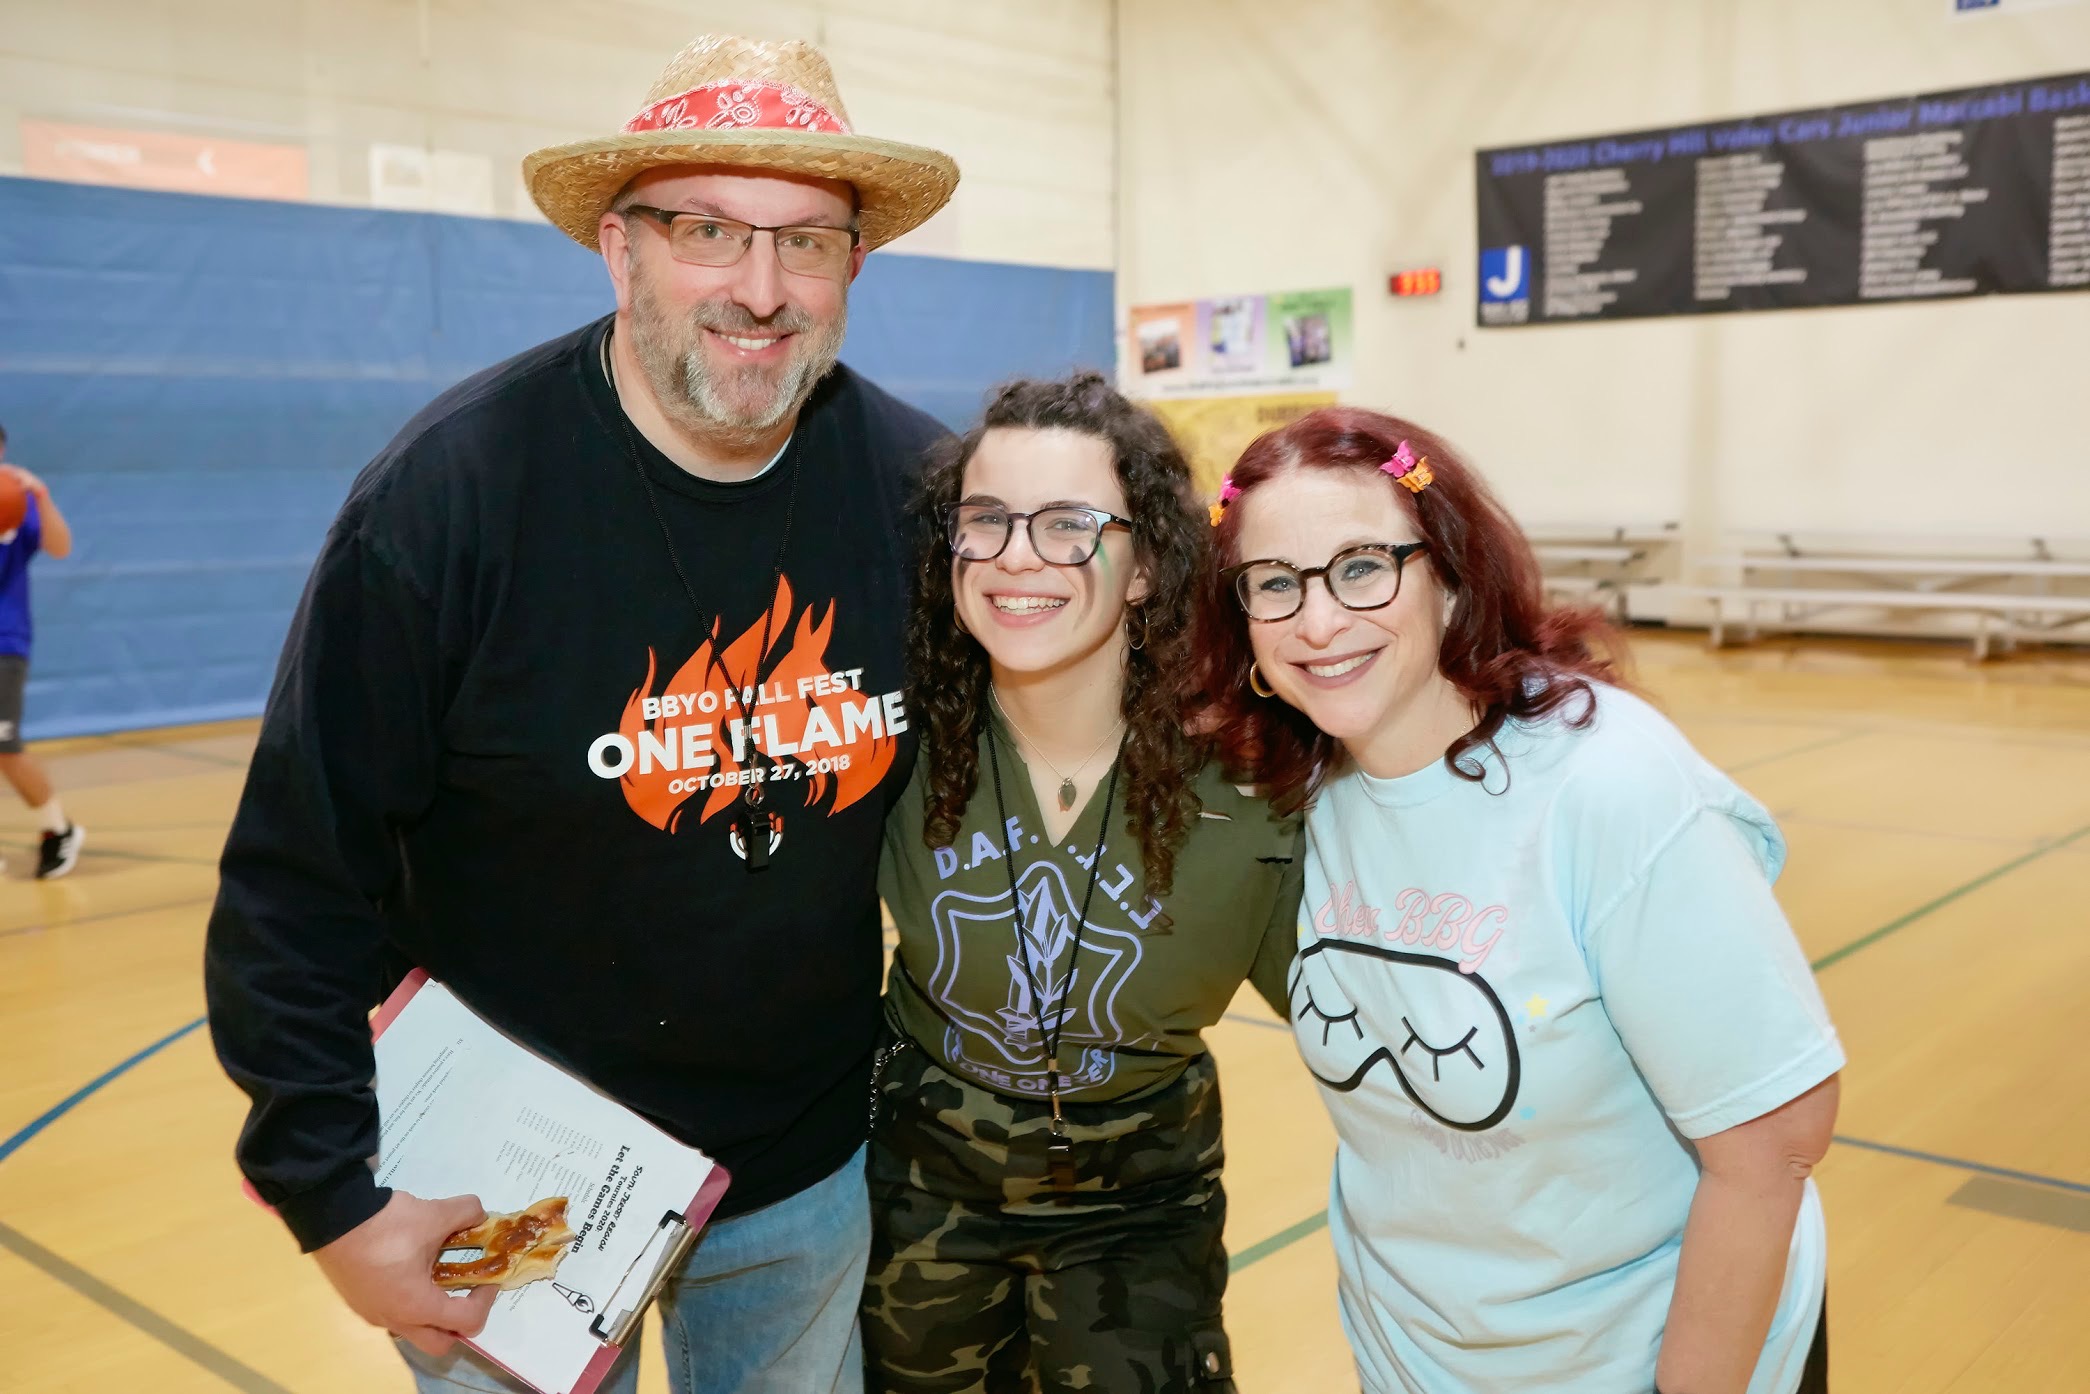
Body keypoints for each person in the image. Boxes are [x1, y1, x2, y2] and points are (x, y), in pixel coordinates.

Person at [203, 33, 958, 1394]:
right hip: (511, 1182)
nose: (761, 287)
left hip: (801, 1170)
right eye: (708, 229)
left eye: (809, 242)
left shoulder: (919, 492)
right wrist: (330, 1197)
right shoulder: (449, 500)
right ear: (621, 252)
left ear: (855, 269)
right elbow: (294, 884)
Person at [1198, 406, 1843, 1394]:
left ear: (1450, 576)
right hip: (1415, 1360)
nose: (1317, 619)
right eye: (1273, 583)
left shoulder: (1604, 783)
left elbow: (1770, 1144)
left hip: (1649, 1359)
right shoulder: (1304, 792)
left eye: (1362, 566)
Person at [862, 374, 1302, 1394]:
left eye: (1068, 524)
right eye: (986, 520)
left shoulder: (1255, 781)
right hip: (923, 1184)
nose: (1018, 555)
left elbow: (1361, 1010)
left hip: (1139, 1204)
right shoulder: (899, 740)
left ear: (1145, 563)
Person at [0, 423, 85, 880]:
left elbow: (60, 547)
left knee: (3, 747)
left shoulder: (17, 497)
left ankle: (59, 829)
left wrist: (44, 496)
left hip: (3, 640)